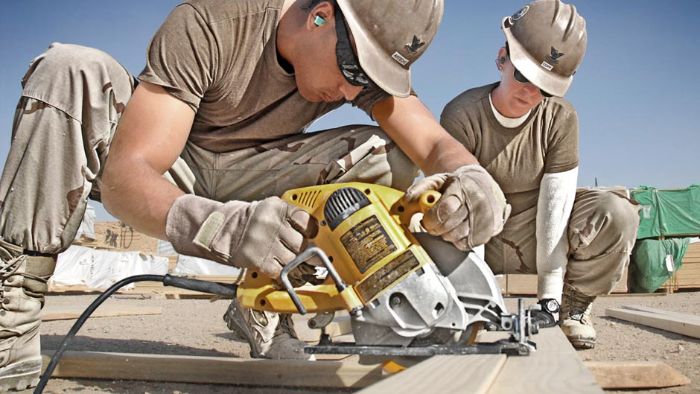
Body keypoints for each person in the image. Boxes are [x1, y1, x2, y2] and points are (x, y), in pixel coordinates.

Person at [0, 0, 511, 389]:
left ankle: (269, 303)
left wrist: (472, 177)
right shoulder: (213, 21)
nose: (356, 93)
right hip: (170, 161)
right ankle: (12, 317)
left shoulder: (353, 61)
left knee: (390, 155)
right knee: (70, 69)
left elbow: (433, 143)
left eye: (370, 81)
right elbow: (128, 178)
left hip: (259, 173)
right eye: (356, 73)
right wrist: (219, 225)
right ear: (322, 17)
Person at [436, 0, 640, 349]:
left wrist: (550, 299)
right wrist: (480, 300)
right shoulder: (462, 114)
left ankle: (574, 308)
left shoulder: (560, 118)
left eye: (545, 87)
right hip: (480, 228)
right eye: (524, 76)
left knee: (617, 213)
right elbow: (468, 206)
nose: (531, 93)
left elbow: (555, 209)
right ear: (502, 58)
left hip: (543, 232)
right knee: (432, 207)